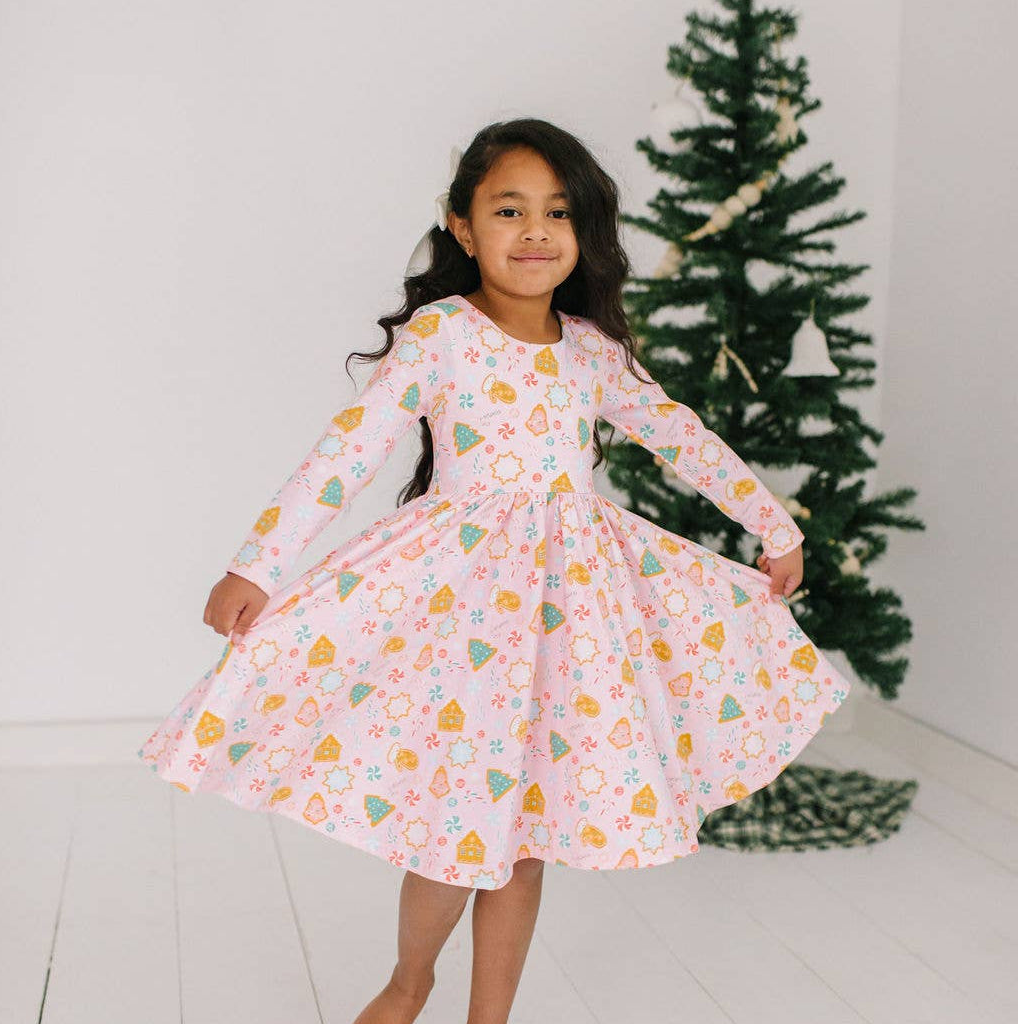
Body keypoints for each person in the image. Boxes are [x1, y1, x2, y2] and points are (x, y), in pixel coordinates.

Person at [137, 117, 849, 1024]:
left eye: (558, 212)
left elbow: (680, 435)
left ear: (583, 235)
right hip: (463, 612)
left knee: (526, 834)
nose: (536, 231)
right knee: (455, 829)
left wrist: (771, 523)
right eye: (509, 210)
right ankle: (408, 983)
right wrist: (255, 567)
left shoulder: (591, 351)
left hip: (573, 612)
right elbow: (342, 459)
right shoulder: (441, 337)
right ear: (464, 229)